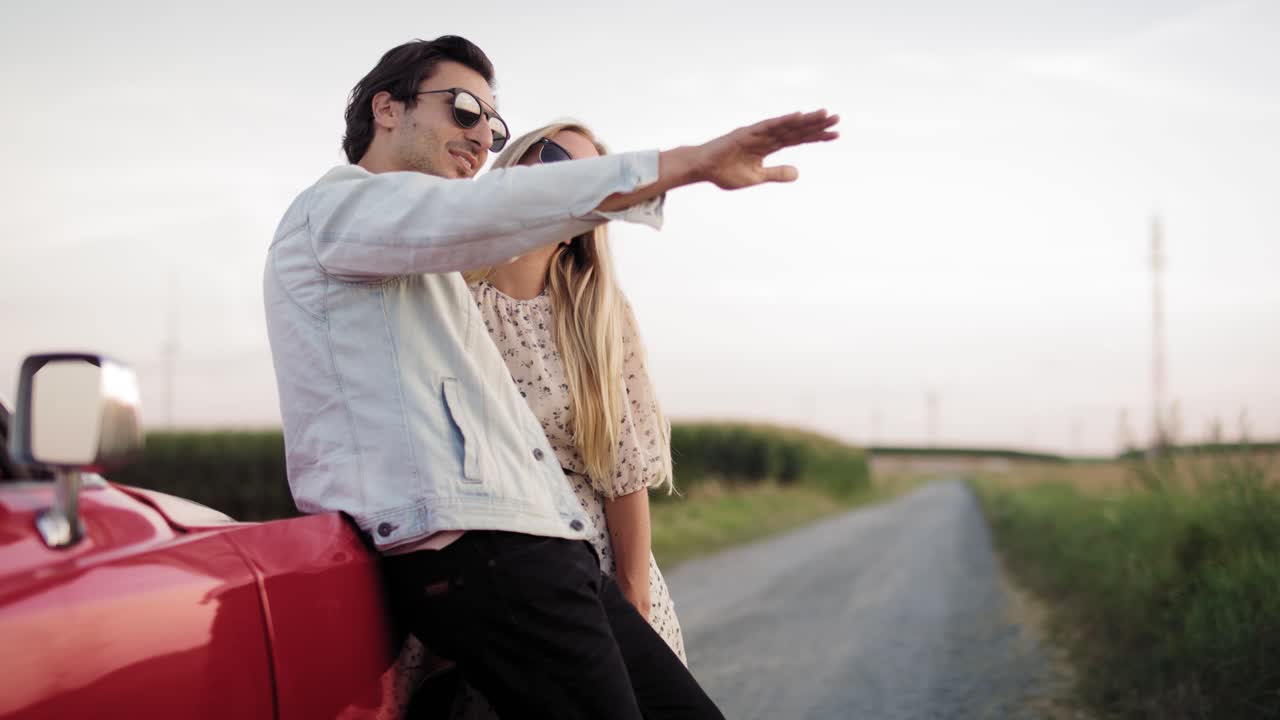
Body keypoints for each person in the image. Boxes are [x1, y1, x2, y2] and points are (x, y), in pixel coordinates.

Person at [263, 34, 838, 720]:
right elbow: (481, 213)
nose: (481, 137)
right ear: (387, 110)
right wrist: (684, 164)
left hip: (549, 551)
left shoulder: (432, 270)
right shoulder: (335, 211)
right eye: (465, 109)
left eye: (494, 124)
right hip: (484, 556)